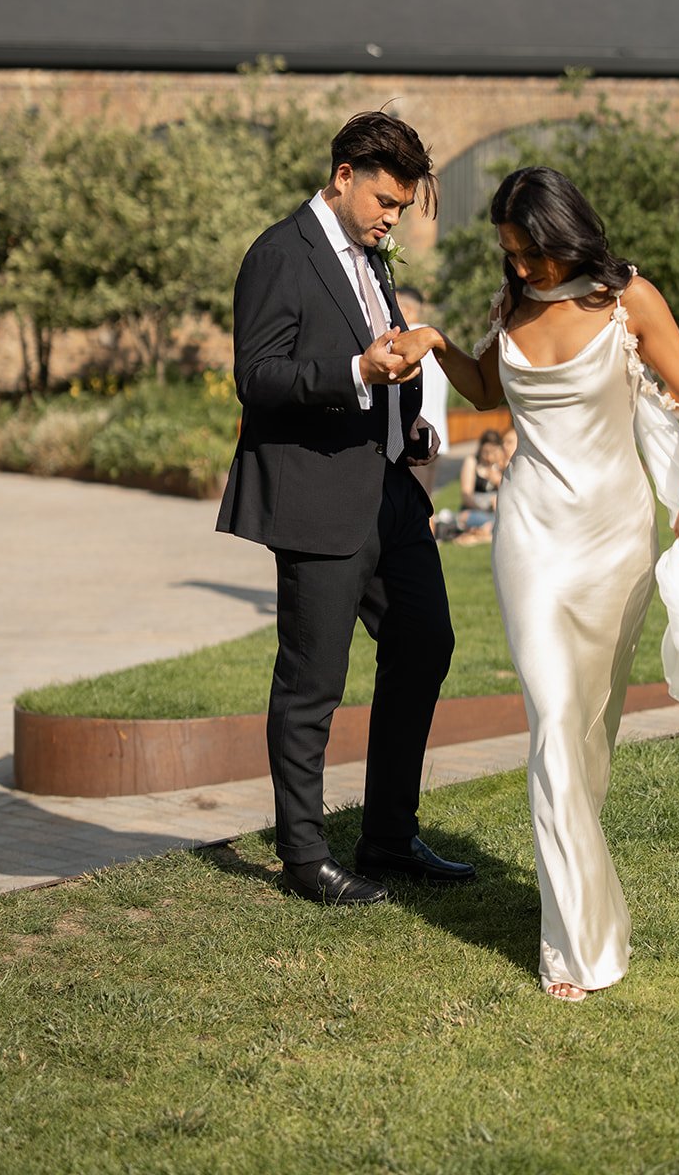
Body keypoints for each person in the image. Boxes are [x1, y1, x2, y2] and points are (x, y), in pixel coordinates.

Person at [391, 166, 679, 1003]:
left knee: (588, 734)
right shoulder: (512, 305)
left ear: (563, 235)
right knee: (550, 724)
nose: (521, 270)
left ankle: (584, 895)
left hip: (613, 539)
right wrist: (435, 341)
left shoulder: (628, 302)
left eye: (530, 253)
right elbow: (488, 391)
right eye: (509, 255)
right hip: (531, 537)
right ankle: (574, 948)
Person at [216, 110, 476, 906]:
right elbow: (257, 378)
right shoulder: (278, 254)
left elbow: (384, 356)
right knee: (312, 682)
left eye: (399, 206)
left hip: (391, 493)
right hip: (318, 499)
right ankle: (303, 858)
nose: (391, 217)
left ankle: (389, 838)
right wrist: (357, 372)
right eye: (385, 201)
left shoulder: (374, 257)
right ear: (343, 178)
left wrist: (414, 422)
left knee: (424, 643)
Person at [395, 285, 449, 496]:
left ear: (407, 311)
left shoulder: (406, 343)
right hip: (437, 436)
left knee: (413, 511)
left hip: (415, 437)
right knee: (426, 506)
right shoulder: (438, 340)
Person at [455, 428, 505, 544]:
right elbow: (466, 495)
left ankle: (481, 531)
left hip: (496, 512)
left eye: (493, 452)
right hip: (476, 509)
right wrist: (483, 508)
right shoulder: (472, 461)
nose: (489, 457)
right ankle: (486, 530)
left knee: (503, 519)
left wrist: (497, 481)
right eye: (486, 452)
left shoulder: (503, 464)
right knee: (466, 517)